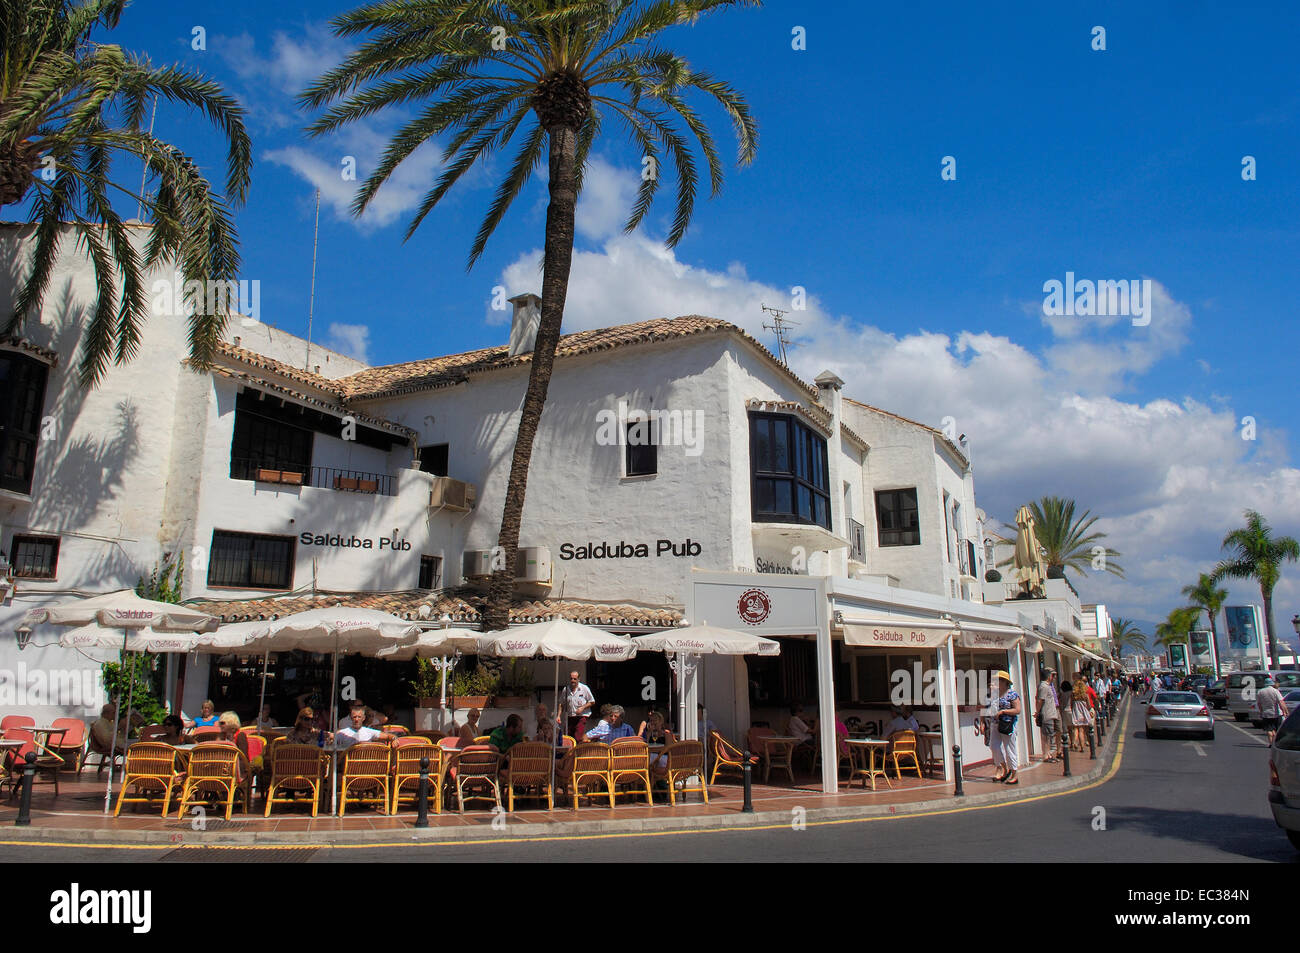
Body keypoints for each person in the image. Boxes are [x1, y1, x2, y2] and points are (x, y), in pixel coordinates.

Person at [991, 671, 1021, 784]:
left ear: (1004, 682)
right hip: (995, 724)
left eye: (998, 680)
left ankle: (1014, 773)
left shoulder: (1012, 694)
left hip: (1007, 725)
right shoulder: (994, 694)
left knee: (1010, 749)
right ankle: (1003, 767)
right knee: (994, 746)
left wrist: (1003, 711)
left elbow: (1017, 710)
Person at [559, 670, 595, 739]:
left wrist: (582, 708)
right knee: (568, 737)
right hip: (570, 717)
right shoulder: (566, 689)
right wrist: (558, 716)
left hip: (581, 717)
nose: (572, 680)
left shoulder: (584, 688)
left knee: (578, 737)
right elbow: (561, 703)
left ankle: (577, 749)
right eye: (571, 678)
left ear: (579, 679)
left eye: (575, 679)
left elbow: (592, 701)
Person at [1036, 668, 1060, 763]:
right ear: (1048, 676)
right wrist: (1038, 712)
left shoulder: (1047, 686)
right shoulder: (1044, 686)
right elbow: (1040, 700)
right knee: (1046, 735)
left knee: (1049, 735)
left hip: (1050, 714)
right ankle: (1046, 755)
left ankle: (1049, 754)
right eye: (1052, 675)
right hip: (1046, 714)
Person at [1256, 677, 1290, 745]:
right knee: (1277, 729)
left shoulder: (1260, 691)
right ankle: (1276, 743)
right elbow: (1281, 702)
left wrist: (1261, 712)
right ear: (1271, 684)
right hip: (1276, 713)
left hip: (1266, 714)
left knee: (1269, 729)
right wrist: (1285, 711)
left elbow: (1259, 704)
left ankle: (1271, 743)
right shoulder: (1275, 691)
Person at [1070, 676, 1094, 751]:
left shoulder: (1073, 695)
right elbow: (1089, 706)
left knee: (1076, 729)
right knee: (1081, 730)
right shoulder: (1085, 695)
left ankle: (1074, 742)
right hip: (1083, 713)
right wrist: (1090, 711)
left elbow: (1071, 704)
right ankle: (1082, 747)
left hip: (1076, 712)